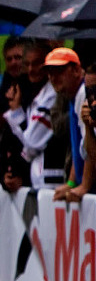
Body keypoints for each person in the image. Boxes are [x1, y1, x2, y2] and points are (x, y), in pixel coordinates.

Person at [5, 40, 64, 189]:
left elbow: (31, 143)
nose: (31, 69)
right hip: (37, 180)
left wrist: (16, 114)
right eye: (27, 64)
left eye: (37, 63)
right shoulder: (33, 96)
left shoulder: (52, 96)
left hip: (53, 181)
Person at [44, 48, 96, 202]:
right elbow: (79, 147)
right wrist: (71, 182)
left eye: (59, 71)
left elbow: (89, 143)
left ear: (76, 70)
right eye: (50, 72)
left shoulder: (84, 93)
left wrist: (84, 186)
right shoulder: (71, 97)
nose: (53, 77)